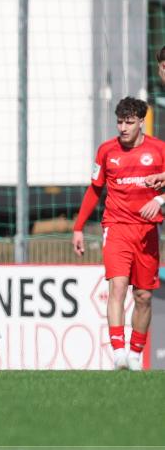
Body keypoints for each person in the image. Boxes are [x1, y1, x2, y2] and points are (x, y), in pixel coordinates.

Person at [72, 97, 165, 370]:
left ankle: (135, 355)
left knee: (143, 297)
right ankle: (118, 353)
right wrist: (78, 227)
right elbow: (94, 189)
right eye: (120, 122)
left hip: (147, 231)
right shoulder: (106, 151)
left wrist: (160, 199)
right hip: (116, 227)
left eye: (129, 122)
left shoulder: (159, 150)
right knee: (118, 286)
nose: (123, 128)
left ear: (141, 122)